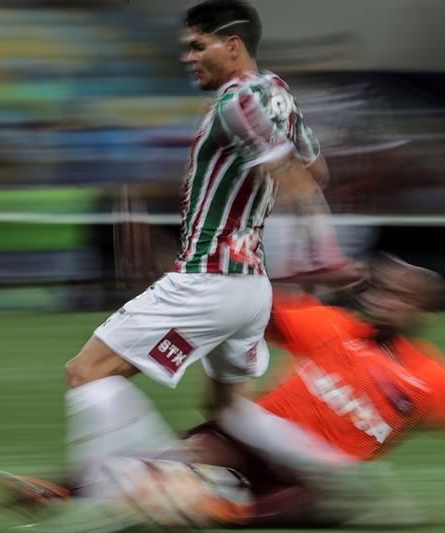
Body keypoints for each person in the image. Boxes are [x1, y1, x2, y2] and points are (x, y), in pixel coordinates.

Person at [0, 253, 445, 530]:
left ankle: (219, 509)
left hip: (312, 471)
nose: (384, 299)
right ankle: (59, 488)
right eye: (382, 289)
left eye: (401, 295)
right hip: (253, 436)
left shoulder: (435, 380)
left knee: (309, 506)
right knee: (188, 456)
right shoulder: (328, 324)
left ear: (424, 311)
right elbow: (247, 306)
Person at [60, 0, 345, 470]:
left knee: (87, 373)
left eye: (197, 46)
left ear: (232, 45)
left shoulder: (235, 102)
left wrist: (323, 254)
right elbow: (319, 172)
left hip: (207, 279)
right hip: (252, 289)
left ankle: (146, 485)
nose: (188, 58)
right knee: (229, 413)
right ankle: (336, 478)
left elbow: (295, 179)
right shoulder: (278, 91)